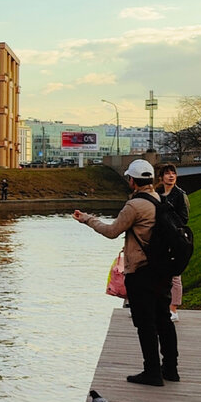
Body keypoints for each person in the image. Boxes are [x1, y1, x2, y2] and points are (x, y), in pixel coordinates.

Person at [73, 158, 179, 385]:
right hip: (162, 270)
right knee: (164, 320)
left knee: (145, 323)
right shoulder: (160, 199)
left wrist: (87, 219)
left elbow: (112, 231)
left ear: (132, 181)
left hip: (141, 271)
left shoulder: (134, 206)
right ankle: (170, 369)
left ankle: (152, 372)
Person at [156, 161, 190, 322]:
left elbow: (184, 218)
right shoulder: (156, 193)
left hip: (175, 238)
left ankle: (173, 308)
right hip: (158, 237)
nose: (171, 176)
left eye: (173, 173)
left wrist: (169, 217)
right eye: (168, 173)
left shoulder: (180, 195)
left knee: (175, 275)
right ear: (161, 177)